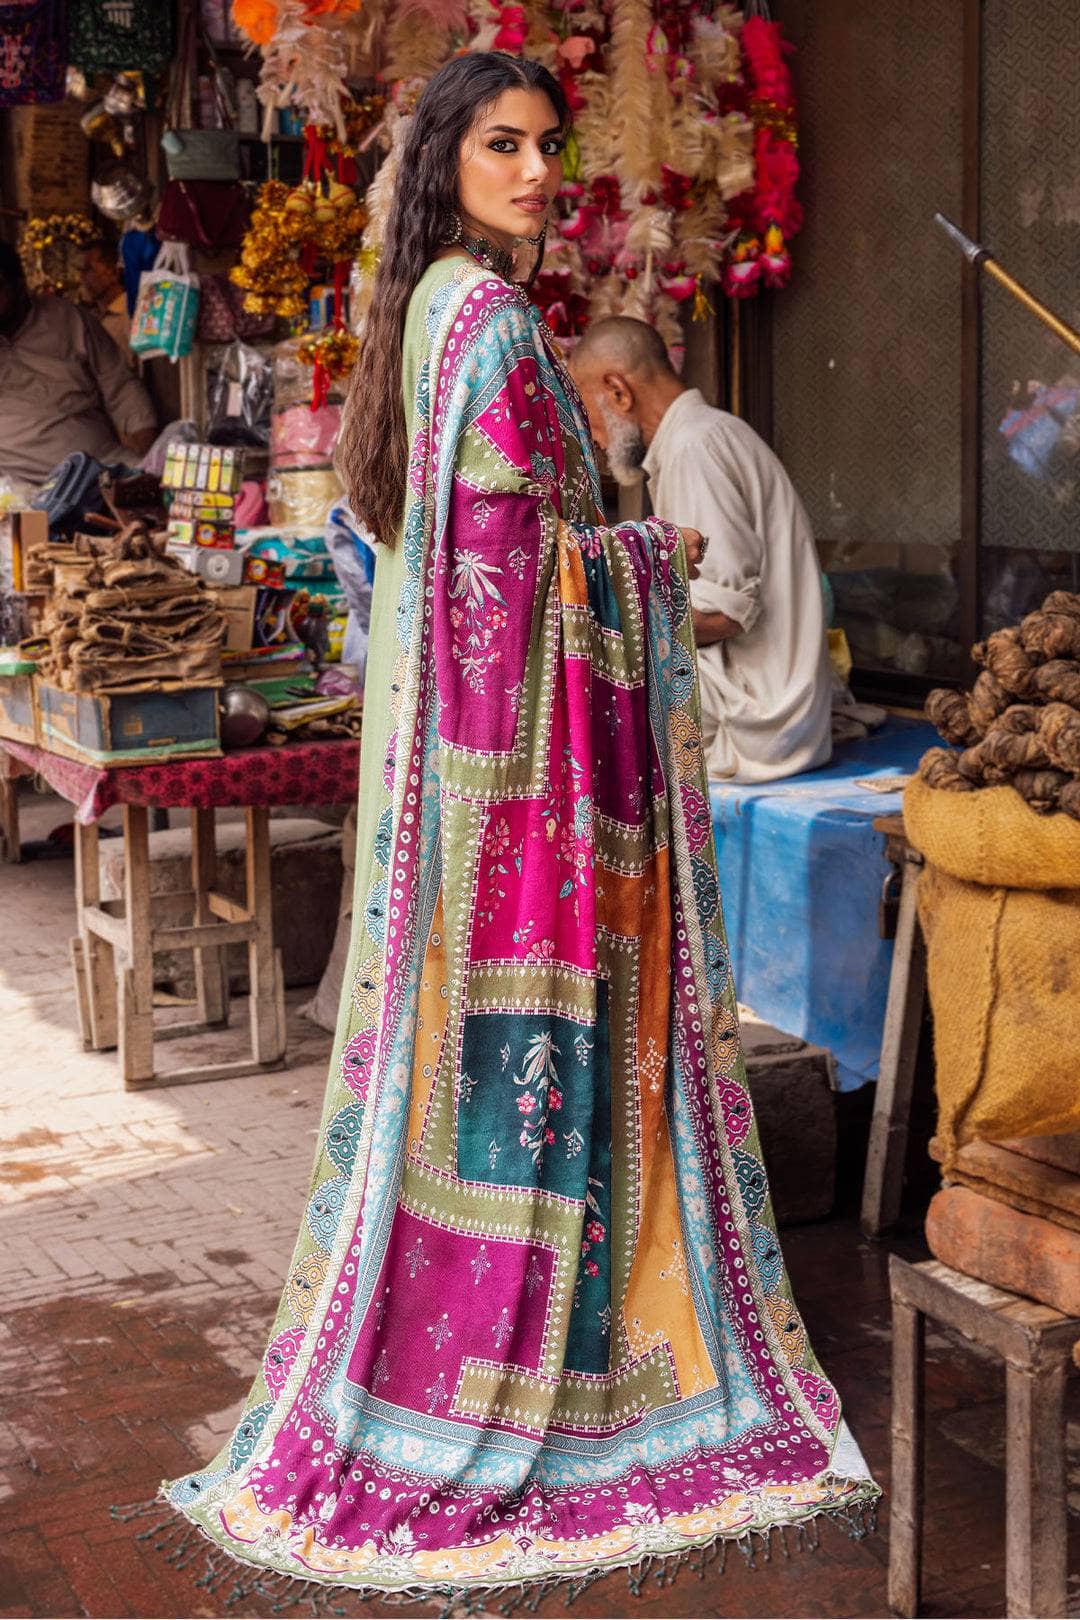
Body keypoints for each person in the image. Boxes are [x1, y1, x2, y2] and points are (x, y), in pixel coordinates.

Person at [159, 53, 876, 1602]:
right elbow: (508, 573)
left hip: (485, 792)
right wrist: (636, 565)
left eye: (551, 145)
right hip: (524, 795)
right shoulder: (483, 323)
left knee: (494, 1093)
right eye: (506, 145)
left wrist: (605, 551)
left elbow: (488, 553)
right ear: (446, 156)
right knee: (530, 1089)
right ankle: (522, 1358)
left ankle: (461, 1333)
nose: (542, 171)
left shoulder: (433, 309)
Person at [570, 317, 833, 783]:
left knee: (576, 680)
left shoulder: (696, 446)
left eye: (590, 418)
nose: (594, 438)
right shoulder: (697, 438)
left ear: (617, 392)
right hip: (765, 707)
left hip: (758, 721)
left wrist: (609, 613)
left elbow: (726, 614)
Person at [0, 239, 155, 488]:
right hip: (16, 485)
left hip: (99, 464)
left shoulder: (69, 319)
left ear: (19, 284)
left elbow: (121, 387)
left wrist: (151, 459)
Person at [79, 235, 136, 366]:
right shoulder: (89, 318)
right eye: (80, 270)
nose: (82, 277)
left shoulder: (131, 312)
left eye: (89, 269)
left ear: (114, 273)